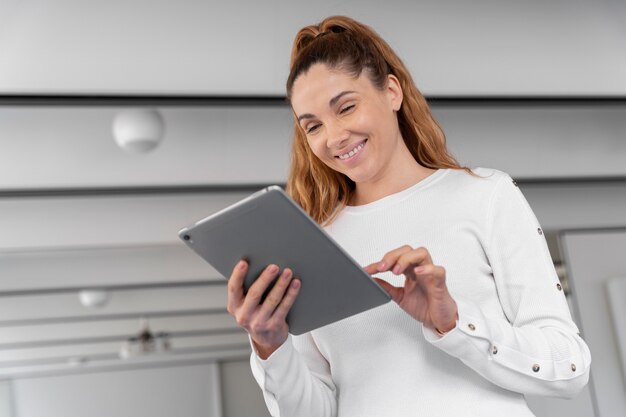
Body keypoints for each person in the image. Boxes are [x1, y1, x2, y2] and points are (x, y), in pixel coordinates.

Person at [226, 15, 591, 417]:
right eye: (312, 127)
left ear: (392, 91)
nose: (333, 137)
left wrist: (454, 322)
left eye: (346, 107)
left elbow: (570, 368)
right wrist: (269, 347)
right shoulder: (313, 245)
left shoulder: (486, 196)